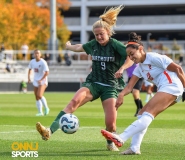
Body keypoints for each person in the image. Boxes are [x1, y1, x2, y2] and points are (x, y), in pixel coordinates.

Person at [35, 5, 133, 152]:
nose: (99, 37)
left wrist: (122, 68)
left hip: (111, 86)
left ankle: (109, 142)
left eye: (101, 34)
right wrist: (69, 47)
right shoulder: (93, 44)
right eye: (96, 35)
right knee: (73, 102)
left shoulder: (116, 45)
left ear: (108, 32)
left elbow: (130, 57)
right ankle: (49, 131)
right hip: (93, 83)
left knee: (111, 125)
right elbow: (80, 47)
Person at [101, 32, 185, 155]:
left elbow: (178, 69)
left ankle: (121, 137)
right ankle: (134, 148)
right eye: (129, 56)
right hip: (167, 89)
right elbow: (129, 87)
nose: (131, 58)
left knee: (147, 112)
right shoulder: (139, 68)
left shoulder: (153, 57)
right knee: (142, 114)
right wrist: (121, 95)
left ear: (140, 49)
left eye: (132, 54)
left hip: (172, 86)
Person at [28, 49, 50, 116]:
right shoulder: (32, 62)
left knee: (39, 95)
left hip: (42, 81)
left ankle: (46, 108)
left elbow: (47, 72)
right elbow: (29, 70)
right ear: (34, 54)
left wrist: (41, 79)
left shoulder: (43, 62)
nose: (36, 54)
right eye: (35, 53)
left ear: (40, 54)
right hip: (35, 80)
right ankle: (40, 112)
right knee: (36, 97)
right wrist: (29, 78)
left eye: (38, 53)